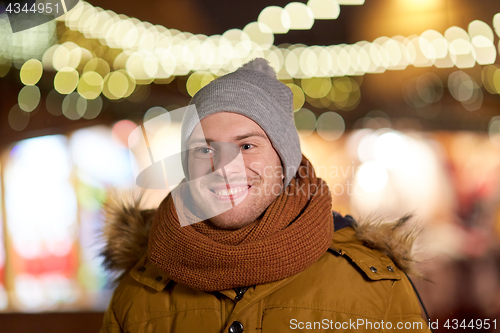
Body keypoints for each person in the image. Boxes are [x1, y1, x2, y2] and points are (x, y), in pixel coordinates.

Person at [99, 58, 431, 332]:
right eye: (204, 148)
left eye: (246, 145)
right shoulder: (139, 291)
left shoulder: (375, 287)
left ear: (285, 159)